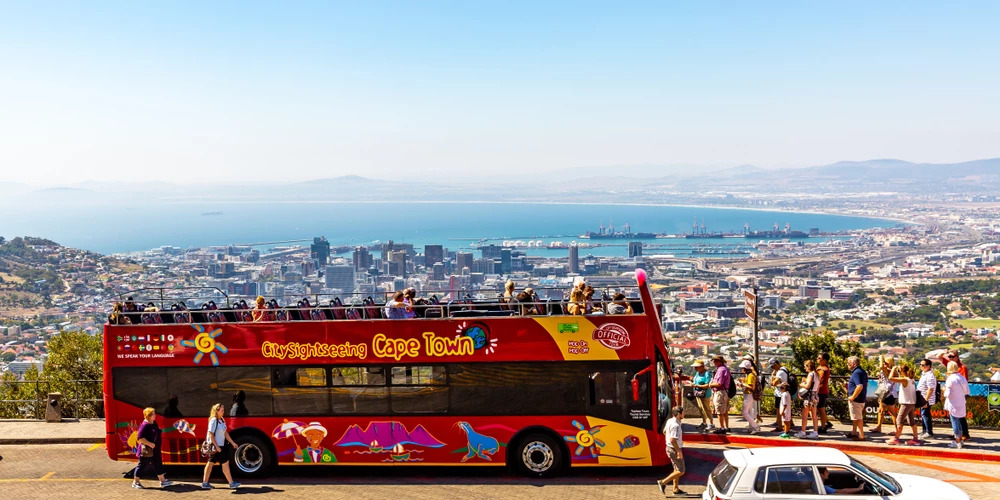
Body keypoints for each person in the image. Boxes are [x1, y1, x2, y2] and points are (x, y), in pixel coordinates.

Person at [131, 407, 174, 489]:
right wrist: (150, 444)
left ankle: (163, 481)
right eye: (153, 414)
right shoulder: (145, 425)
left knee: (158, 464)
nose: (155, 416)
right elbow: (140, 438)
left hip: (155, 450)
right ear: (148, 416)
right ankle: (135, 482)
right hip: (147, 450)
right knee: (142, 465)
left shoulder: (153, 423)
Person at [202, 403, 241, 489]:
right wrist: (217, 447)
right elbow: (211, 434)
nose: (223, 412)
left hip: (221, 446)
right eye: (222, 411)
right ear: (217, 411)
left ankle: (205, 483)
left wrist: (232, 442)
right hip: (216, 446)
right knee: (220, 464)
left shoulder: (221, 420)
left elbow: (225, 433)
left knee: (213, 463)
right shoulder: (213, 420)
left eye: (223, 410)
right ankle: (231, 483)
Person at [656, 407, 687, 496]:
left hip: (669, 447)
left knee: (676, 469)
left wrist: (668, 439)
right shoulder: (675, 425)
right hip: (673, 449)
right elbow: (673, 439)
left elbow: (664, 431)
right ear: (678, 414)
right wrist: (678, 451)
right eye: (683, 412)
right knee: (681, 471)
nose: (684, 414)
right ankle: (663, 482)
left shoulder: (670, 420)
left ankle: (675, 489)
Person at [887, 365, 920, 445]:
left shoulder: (905, 379)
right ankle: (915, 439)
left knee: (899, 420)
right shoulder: (911, 379)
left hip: (906, 403)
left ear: (902, 371)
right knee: (911, 421)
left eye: (899, 371)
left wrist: (894, 368)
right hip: (911, 403)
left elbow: (890, 378)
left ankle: (896, 438)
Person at [944, 361, 970, 449]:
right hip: (961, 402)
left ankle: (957, 441)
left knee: (955, 422)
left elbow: (948, 394)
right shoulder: (962, 378)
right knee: (960, 421)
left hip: (953, 403)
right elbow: (967, 391)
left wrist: (944, 390)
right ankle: (961, 440)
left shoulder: (950, 379)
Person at [872, 355, 898, 435]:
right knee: (880, 411)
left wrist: (881, 358)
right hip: (884, 393)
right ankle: (879, 427)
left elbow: (881, 367)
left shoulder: (891, 370)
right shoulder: (888, 370)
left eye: (885, 363)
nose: (884, 364)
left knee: (892, 412)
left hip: (889, 394)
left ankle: (897, 429)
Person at [796, 360, 820, 439]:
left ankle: (803, 431)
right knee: (814, 415)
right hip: (815, 395)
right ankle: (815, 431)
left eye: (805, 366)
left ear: (808, 366)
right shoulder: (816, 374)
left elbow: (808, 386)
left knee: (805, 414)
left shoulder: (810, 374)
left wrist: (801, 384)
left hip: (809, 396)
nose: (804, 368)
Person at [688, 360, 714, 432]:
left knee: (706, 408)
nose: (695, 369)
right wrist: (692, 382)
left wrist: (696, 385)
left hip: (705, 394)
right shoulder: (697, 373)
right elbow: (695, 380)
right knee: (701, 408)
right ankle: (704, 422)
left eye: (697, 367)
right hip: (698, 393)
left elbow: (707, 385)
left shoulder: (707, 373)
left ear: (702, 367)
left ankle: (711, 423)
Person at [845, 356, 867, 441]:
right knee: (855, 417)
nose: (847, 365)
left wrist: (852, 397)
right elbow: (865, 384)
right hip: (861, 398)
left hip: (856, 399)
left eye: (849, 363)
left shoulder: (856, 373)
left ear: (853, 364)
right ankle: (854, 432)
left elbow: (859, 386)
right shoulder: (862, 371)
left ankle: (861, 435)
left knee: (858, 418)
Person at [737, 360, 761, 434]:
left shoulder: (750, 375)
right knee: (750, 412)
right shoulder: (751, 375)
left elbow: (751, 387)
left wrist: (742, 384)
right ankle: (751, 427)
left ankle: (755, 426)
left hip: (749, 394)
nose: (742, 370)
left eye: (742, 368)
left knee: (744, 412)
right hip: (749, 394)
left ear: (745, 368)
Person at [708, 355, 731, 434]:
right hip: (724, 392)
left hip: (720, 392)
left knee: (720, 411)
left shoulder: (721, 370)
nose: (714, 362)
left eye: (715, 361)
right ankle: (726, 426)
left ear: (719, 361)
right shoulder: (724, 369)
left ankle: (722, 428)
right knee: (724, 411)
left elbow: (719, 383)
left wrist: (711, 385)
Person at [916, 358, 937, 439]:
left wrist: (926, 400)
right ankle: (924, 431)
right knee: (923, 414)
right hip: (922, 399)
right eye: (920, 364)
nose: (921, 366)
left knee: (925, 415)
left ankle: (929, 432)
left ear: (928, 366)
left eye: (923, 365)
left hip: (926, 399)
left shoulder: (930, 376)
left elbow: (930, 389)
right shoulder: (924, 374)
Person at [768, 358, 788, 430]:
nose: (772, 368)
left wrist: (772, 375)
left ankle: (780, 426)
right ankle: (787, 424)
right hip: (784, 392)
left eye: (772, 367)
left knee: (779, 410)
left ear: (776, 364)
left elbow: (773, 383)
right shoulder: (784, 369)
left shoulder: (780, 372)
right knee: (784, 410)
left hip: (780, 394)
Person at [816, 352, 833, 433]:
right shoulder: (821, 368)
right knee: (820, 408)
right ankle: (826, 423)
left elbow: (819, 380)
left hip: (821, 391)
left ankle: (823, 426)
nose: (817, 359)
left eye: (819, 358)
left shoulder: (823, 370)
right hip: (822, 391)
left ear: (824, 360)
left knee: (821, 409)